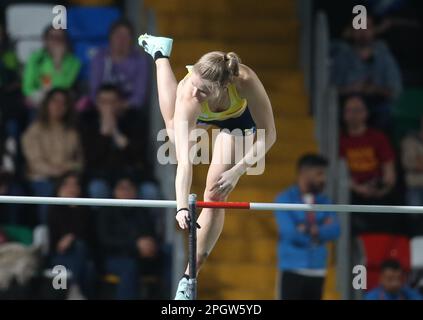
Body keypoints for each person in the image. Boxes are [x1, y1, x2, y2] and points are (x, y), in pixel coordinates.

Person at [138, 34, 276, 300]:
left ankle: (189, 278)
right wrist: (180, 206)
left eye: (203, 90)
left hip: (238, 122)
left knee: (215, 194)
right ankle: (160, 54)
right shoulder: (189, 95)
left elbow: (269, 134)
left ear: (225, 86)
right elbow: (185, 163)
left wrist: (239, 170)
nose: (195, 91)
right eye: (195, 84)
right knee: (171, 129)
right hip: (199, 114)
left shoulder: (245, 81)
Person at [274, 154, 340, 300]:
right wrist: (320, 230)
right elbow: (289, 233)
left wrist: (307, 228)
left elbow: (335, 230)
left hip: (318, 269)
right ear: (304, 173)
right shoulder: (284, 199)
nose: (324, 179)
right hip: (292, 269)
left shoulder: (325, 201)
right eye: (319, 174)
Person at [79, 84, 156, 199]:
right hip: (101, 176)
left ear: (121, 103)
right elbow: (91, 158)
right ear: (97, 104)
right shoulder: (88, 121)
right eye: (104, 102)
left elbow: (137, 155)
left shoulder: (134, 119)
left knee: (150, 192)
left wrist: (115, 132)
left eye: (112, 102)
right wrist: (104, 135)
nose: (108, 106)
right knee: (96, 189)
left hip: (132, 176)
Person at [21, 88, 83, 223]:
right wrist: (59, 171)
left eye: (63, 103)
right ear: (47, 104)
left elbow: (80, 162)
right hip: (41, 178)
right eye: (55, 101)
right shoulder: (33, 131)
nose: (58, 106)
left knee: (76, 191)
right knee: (49, 191)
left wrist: (68, 176)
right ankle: (46, 234)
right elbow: (35, 163)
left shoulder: (72, 132)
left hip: (66, 178)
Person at [331, 17, 402, 130]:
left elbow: (395, 90)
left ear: (374, 30)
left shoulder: (384, 56)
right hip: (347, 106)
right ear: (351, 32)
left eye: (367, 27)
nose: (363, 32)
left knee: (385, 113)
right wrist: (351, 88)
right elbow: (331, 90)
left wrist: (374, 89)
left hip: (376, 106)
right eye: (358, 28)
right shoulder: (342, 56)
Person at [95, 177, 160, 300]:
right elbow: (104, 241)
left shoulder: (142, 210)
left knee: (168, 255)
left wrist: (151, 246)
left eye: (130, 188)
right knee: (129, 267)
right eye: (122, 188)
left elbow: (151, 235)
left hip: (142, 256)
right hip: (113, 258)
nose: (126, 191)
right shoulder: (106, 211)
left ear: (136, 191)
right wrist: (135, 245)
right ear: (114, 191)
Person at [47, 172, 95, 299]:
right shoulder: (53, 208)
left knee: (82, 252)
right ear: (59, 188)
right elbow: (55, 242)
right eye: (67, 185)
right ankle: (74, 289)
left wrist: (75, 208)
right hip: (59, 255)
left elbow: (88, 235)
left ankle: (74, 288)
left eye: (75, 185)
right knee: (61, 268)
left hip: (82, 254)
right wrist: (64, 205)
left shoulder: (85, 209)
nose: (71, 188)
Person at [90, 19, 150, 110]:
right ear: (110, 37)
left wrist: (120, 106)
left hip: (129, 109)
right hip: (102, 107)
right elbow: (94, 92)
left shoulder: (140, 60)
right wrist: (107, 107)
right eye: (118, 36)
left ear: (132, 40)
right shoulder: (99, 58)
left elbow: (139, 97)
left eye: (126, 36)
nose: (122, 40)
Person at [23, 26, 81, 108]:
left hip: (62, 101)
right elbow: (28, 85)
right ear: (45, 40)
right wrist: (33, 95)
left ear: (65, 41)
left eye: (60, 38)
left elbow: (64, 86)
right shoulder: (35, 58)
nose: (56, 41)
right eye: (52, 37)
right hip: (38, 100)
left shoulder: (74, 62)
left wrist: (57, 61)